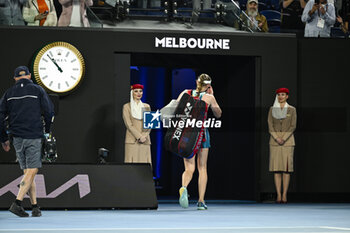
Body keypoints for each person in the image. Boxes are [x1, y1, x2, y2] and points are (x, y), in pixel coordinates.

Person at [0, 66, 54, 217]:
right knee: (32, 170)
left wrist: (4, 139)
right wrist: (47, 131)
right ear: (29, 76)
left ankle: (35, 206)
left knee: (27, 172)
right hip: (34, 135)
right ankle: (17, 203)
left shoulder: (8, 93)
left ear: (15, 78)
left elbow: (0, 117)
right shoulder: (38, 90)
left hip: (16, 137)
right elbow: (49, 112)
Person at [176, 74, 222, 210]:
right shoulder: (209, 97)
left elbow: (176, 110)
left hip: (186, 133)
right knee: (202, 168)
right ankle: (201, 201)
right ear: (208, 85)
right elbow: (218, 114)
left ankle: (184, 187)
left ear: (197, 82)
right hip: (202, 133)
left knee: (189, 168)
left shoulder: (186, 93)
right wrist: (212, 96)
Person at [267, 88, 296, 204]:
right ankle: (278, 195)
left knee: (286, 169)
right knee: (277, 169)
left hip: (287, 142)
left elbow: (293, 125)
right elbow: (270, 125)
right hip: (275, 142)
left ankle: (285, 195)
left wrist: (283, 138)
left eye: (283, 95)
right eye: (279, 95)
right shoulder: (272, 109)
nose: (280, 97)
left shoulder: (292, 109)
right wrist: (276, 137)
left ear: (287, 96)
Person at [122, 84, 152, 164]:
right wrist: (139, 136)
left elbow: (150, 123)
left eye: (140, 91)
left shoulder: (147, 106)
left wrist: (144, 136)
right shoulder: (127, 107)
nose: (138, 93)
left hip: (145, 140)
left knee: (144, 165)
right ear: (132, 93)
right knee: (131, 165)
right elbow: (128, 124)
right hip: (132, 140)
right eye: (136, 91)